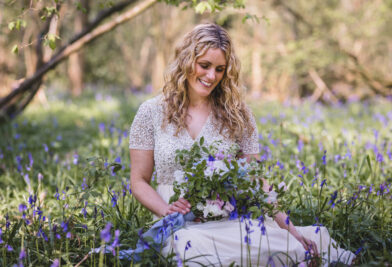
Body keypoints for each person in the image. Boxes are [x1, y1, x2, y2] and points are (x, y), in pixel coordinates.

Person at [129, 23, 355, 266]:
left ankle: (298, 248)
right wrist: (166, 211)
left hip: (230, 219)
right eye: (204, 65)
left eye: (220, 69)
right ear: (186, 60)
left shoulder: (238, 114)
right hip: (177, 222)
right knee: (190, 248)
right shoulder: (151, 112)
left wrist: (291, 229)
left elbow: (257, 180)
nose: (211, 76)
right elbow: (139, 180)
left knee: (280, 242)